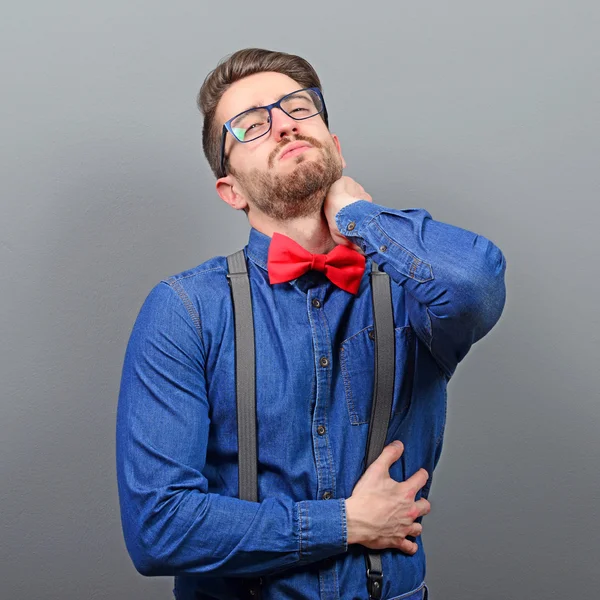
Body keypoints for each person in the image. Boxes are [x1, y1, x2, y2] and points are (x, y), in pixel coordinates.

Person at [116, 47, 507, 600]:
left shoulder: (410, 291)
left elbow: (474, 283)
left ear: (334, 146)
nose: (283, 125)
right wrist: (344, 522)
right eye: (251, 124)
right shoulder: (184, 309)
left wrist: (359, 219)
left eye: (299, 108)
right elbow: (158, 528)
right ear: (231, 190)